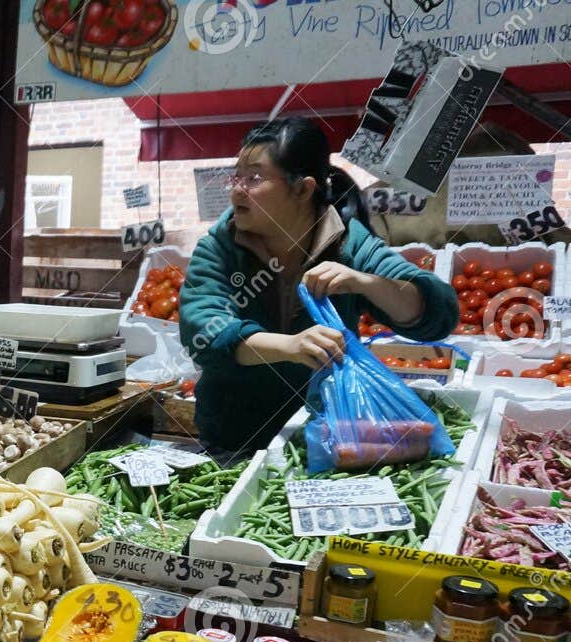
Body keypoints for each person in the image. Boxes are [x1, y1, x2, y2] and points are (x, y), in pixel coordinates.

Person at [177, 117, 458, 460]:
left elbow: (436, 313)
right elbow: (203, 331)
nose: (237, 188)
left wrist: (365, 282)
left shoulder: (350, 245)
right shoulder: (219, 248)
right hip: (234, 436)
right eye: (236, 176)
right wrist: (290, 346)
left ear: (303, 188)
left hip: (329, 434)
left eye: (253, 177)